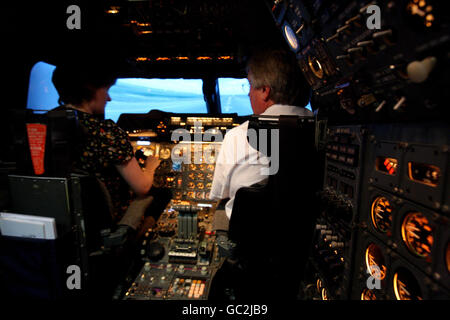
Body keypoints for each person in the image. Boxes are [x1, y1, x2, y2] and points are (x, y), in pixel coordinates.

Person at [50, 60, 162, 233]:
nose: (109, 98)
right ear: (90, 89)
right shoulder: (106, 131)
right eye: (106, 90)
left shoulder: (43, 125)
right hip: (104, 224)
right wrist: (151, 166)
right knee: (160, 194)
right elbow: (142, 187)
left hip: (59, 226)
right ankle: (135, 248)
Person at [209, 48, 312, 220]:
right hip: (305, 239)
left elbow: (219, 193)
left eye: (250, 85)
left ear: (265, 90)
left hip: (248, 240)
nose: (249, 93)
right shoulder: (324, 132)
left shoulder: (237, 136)